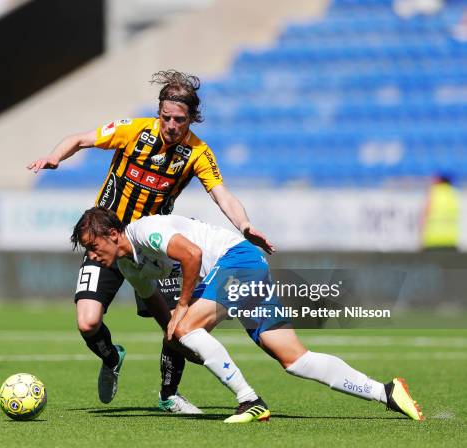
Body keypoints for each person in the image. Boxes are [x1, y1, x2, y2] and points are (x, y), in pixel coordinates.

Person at [27, 70, 273, 413]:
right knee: (87, 321)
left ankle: (168, 395)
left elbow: (221, 194)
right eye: (166, 117)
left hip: (154, 247)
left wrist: (244, 225)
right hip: (109, 241)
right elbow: (80, 139)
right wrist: (55, 157)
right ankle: (111, 357)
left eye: (180, 120)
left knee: (176, 326)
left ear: (192, 119)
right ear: (159, 113)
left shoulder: (198, 153)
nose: (171, 125)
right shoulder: (133, 131)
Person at [71, 207, 425, 423]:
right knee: (294, 359)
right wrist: (175, 335)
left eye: (92, 245)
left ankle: (250, 400)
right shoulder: (128, 266)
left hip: (238, 261)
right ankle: (387, 392)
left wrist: (183, 315)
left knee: (188, 325)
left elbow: (191, 255)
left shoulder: (147, 231)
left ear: (113, 233)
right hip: (241, 269)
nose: (91, 253)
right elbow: (156, 306)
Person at [421, 174, 460, 252]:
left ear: (439, 180)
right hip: (451, 240)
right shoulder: (454, 193)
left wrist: (421, 239)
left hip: (433, 240)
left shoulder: (434, 192)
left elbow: (425, 215)